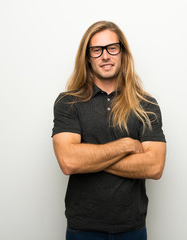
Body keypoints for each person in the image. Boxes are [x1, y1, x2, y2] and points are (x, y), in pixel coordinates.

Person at [52, 21, 166, 240]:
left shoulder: (146, 104)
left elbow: (154, 166)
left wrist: (91, 159)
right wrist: (124, 145)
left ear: (122, 52)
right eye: (97, 50)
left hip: (132, 228)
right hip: (83, 229)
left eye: (112, 48)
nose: (105, 56)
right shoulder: (68, 103)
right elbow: (69, 161)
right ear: (87, 57)